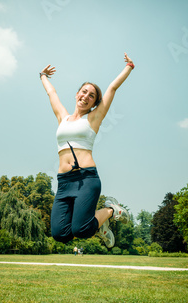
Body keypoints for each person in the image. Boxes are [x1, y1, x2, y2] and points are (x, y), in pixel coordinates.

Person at [39, 53, 134, 248]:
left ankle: (111, 211)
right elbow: (52, 94)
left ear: (94, 103)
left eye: (92, 96)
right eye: (84, 92)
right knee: (60, 234)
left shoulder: (93, 119)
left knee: (81, 230)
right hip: (64, 183)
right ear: (77, 94)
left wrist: (129, 67)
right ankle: (101, 226)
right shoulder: (63, 118)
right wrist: (42, 75)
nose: (86, 96)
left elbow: (112, 88)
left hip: (86, 179)